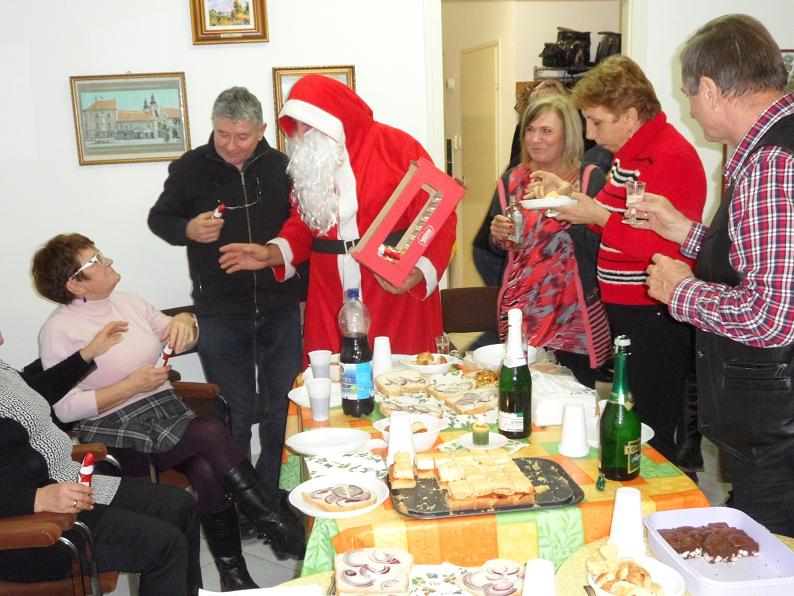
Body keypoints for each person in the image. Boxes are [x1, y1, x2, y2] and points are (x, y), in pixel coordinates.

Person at [32, 234, 305, 590]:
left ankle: (235, 575)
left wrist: (186, 320)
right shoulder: (59, 330)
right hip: (114, 431)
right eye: (96, 260)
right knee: (210, 431)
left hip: (165, 411)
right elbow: (65, 409)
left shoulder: (129, 302)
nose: (108, 260)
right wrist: (130, 386)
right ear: (74, 284)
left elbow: (179, 334)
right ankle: (274, 521)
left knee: (205, 466)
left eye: (101, 254)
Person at [635, 15, 794, 535]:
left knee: (768, 556)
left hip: (779, 435)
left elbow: (772, 316)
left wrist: (680, 291)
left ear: (709, 88)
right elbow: (762, 260)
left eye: (689, 96)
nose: (690, 109)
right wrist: (685, 231)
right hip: (777, 428)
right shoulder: (776, 149)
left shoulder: (771, 164)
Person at [533, 54, 707, 466]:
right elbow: (615, 224)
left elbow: (671, 248)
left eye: (597, 122)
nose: (590, 135)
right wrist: (571, 197)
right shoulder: (629, 154)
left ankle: (663, 497)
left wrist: (597, 216)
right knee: (630, 415)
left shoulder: (670, 157)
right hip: (628, 308)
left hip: (656, 312)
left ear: (630, 116)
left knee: (651, 427)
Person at [218, 75, 456, 357]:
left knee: (397, 374)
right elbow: (305, 224)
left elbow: (441, 215)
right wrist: (273, 253)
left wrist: (418, 272)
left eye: (308, 123)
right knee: (331, 376)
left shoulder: (396, 146)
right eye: (297, 124)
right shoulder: (311, 164)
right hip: (329, 292)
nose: (301, 133)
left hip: (389, 288)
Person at [148, 86, 306, 495]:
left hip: (281, 307)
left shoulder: (284, 167)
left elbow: (304, 231)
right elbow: (159, 219)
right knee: (234, 413)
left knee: (282, 409)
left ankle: (273, 497)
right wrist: (187, 228)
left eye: (242, 136)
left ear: (262, 130)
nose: (231, 145)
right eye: (222, 134)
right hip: (219, 311)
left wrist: (296, 286)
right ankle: (241, 501)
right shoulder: (190, 167)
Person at [0, 327, 202, 594]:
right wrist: (36, 498)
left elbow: (37, 392)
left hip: (65, 485)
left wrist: (87, 353)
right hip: (27, 530)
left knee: (182, 506)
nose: (2, 338)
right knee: (166, 545)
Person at [488, 94, 610, 387]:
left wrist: (567, 209)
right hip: (523, 313)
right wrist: (498, 235)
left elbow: (603, 243)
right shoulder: (512, 180)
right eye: (530, 130)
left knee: (574, 397)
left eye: (546, 131)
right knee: (521, 392)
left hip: (574, 314)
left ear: (568, 135)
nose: (535, 139)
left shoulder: (589, 179)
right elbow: (500, 247)